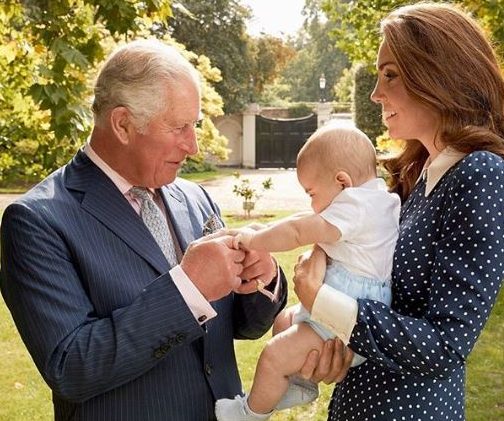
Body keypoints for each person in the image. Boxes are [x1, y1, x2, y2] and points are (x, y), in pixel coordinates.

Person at [0, 39, 300, 421]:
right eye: (179, 127)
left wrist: (264, 277)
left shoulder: (196, 199)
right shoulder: (37, 220)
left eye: (194, 125)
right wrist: (188, 288)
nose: (192, 146)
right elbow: (71, 368)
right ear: (123, 124)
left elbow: (241, 326)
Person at [292, 3, 504, 420]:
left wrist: (322, 301)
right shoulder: (418, 175)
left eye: (390, 74)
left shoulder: (482, 173)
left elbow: (446, 345)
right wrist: (331, 338)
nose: (375, 93)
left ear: (441, 75)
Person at [215, 124, 401, 420]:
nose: (311, 203)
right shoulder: (376, 199)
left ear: (342, 182)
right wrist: (261, 229)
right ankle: (297, 384)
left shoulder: (356, 206)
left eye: (312, 192)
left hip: (345, 312)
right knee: (284, 320)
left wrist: (254, 240)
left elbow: (299, 229)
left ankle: (249, 413)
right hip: (349, 301)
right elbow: (305, 218)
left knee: (273, 355)